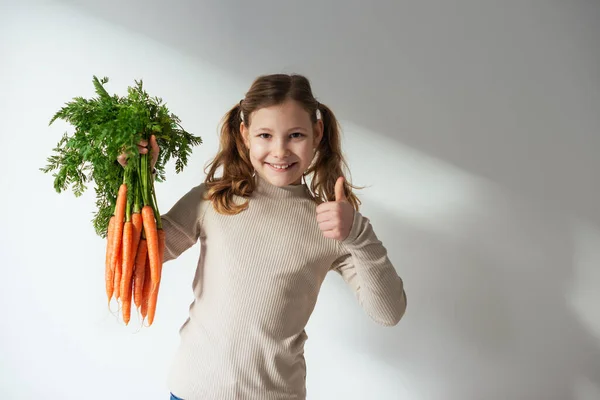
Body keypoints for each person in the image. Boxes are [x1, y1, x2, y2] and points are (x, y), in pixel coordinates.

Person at [120, 73, 407, 400]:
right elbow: (137, 256)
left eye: (295, 135)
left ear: (317, 133)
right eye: (265, 135)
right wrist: (137, 175)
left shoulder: (332, 224)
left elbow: (388, 313)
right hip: (193, 392)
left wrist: (357, 232)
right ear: (245, 135)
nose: (280, 150)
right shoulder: (214, 200)